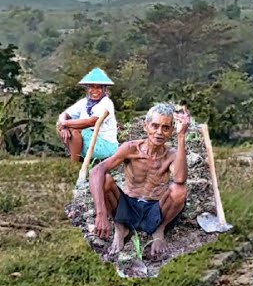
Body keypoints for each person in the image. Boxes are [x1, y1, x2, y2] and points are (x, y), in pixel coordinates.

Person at [88, 103, 190, 258]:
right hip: (128, 205)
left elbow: (180, 178)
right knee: (105, 179)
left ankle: (159, 229)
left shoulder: (172, 154)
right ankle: (120, 226)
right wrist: (101, 214)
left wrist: (181, 136)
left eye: (165, 128)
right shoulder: (131, 148)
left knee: (179, 190)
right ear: (145, 126)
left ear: (171, 132)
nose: (159, 132)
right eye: (155, 126)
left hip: (155, 208)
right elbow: (96, 171)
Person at [56, 68, 119, 167]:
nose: (95, 91)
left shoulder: (106, 103)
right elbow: (64, 114)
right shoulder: (84, 102)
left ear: (104, 89)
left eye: (98, 88)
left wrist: (65, 123)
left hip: (105, 145)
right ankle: (76, 157)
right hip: (90, 142)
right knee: (60, 125)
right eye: (91, 87)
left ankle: (74, 165)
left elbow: (92, 122)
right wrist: (63, 124)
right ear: (87, 88)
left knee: (74, 129)